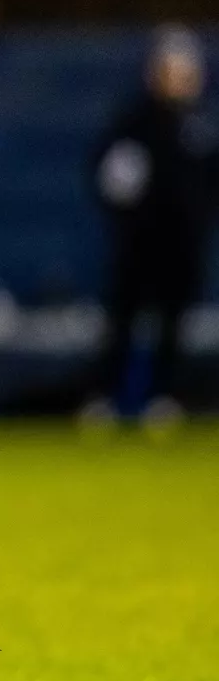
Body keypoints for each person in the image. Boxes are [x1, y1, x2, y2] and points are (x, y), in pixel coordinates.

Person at [85, 26, 216, 424]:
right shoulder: (134, 123)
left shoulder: (201, 127)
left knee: (172, 323)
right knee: (123, 321)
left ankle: (163, 397)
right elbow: (107, 176)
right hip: (138, 243)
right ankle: (107, 397)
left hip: (183, 244)